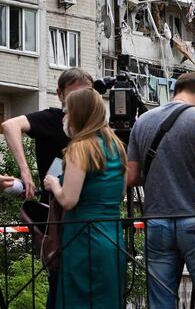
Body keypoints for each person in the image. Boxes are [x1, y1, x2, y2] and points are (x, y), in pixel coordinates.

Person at [126, 72, 195, 308]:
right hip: (194, 218)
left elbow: (131, 176)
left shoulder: (143, 120)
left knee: (160, 299)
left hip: (156, 220)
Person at [43, 88, 127, 309]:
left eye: (67, 111)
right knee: (107, 298)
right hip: (111, 233)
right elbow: (121, 193)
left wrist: (53, 183)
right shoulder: (117, 146)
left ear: (78, 114)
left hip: (82, 235)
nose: (64, 117)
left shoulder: (80, 148)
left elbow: (69, 200)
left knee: (78, 298)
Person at [1, 68, 93, 200]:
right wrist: (25, 171)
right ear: (60, 94)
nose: (81, 100)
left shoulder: (96, 125)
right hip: (54, 206)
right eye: (74, 94)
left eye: (86, 94)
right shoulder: (51, 118)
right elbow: (10, 125)